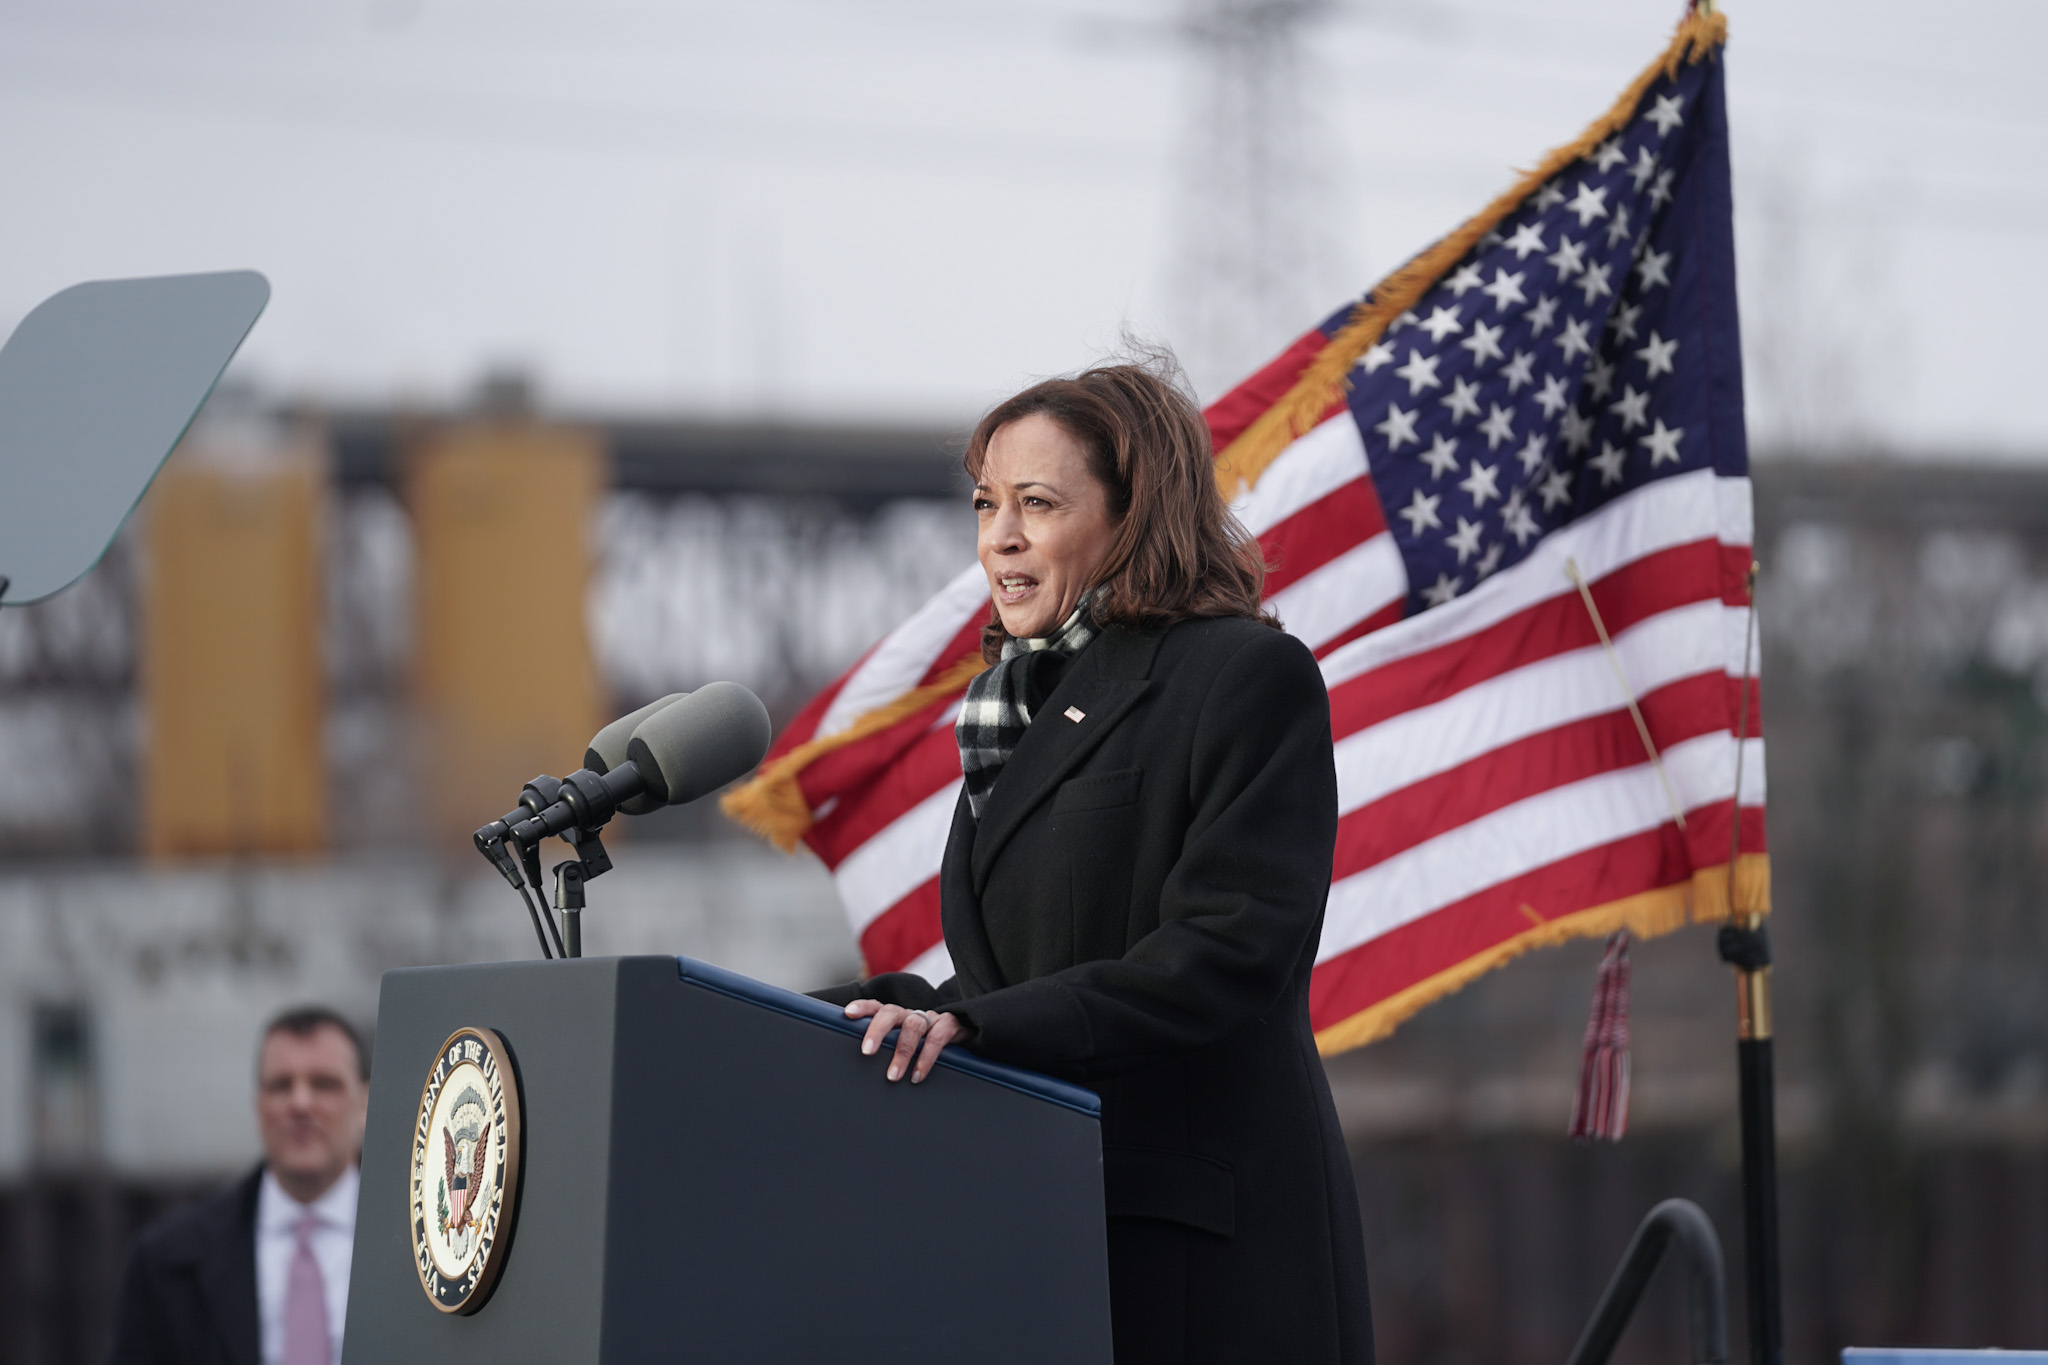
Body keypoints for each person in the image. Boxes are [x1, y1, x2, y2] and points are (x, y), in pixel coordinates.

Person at [814, 357, 1373, 1364]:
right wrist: (877, 1014)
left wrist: (972, 1023)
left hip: (1198, 1257)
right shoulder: (1016, 710)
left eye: (1036, 504)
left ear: (1132, 514)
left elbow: (1221, 954)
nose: (999, 538)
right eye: (986, 504)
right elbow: (1025, 971)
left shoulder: (1243, 676)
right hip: (1051, 1237)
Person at [109, 1006, 369, 1365]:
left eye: (324, 1084)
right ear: (257, 1103)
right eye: (281, 1085)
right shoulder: (164, 1261)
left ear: (365, 1103)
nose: (300, 1103)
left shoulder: (428, 1252)